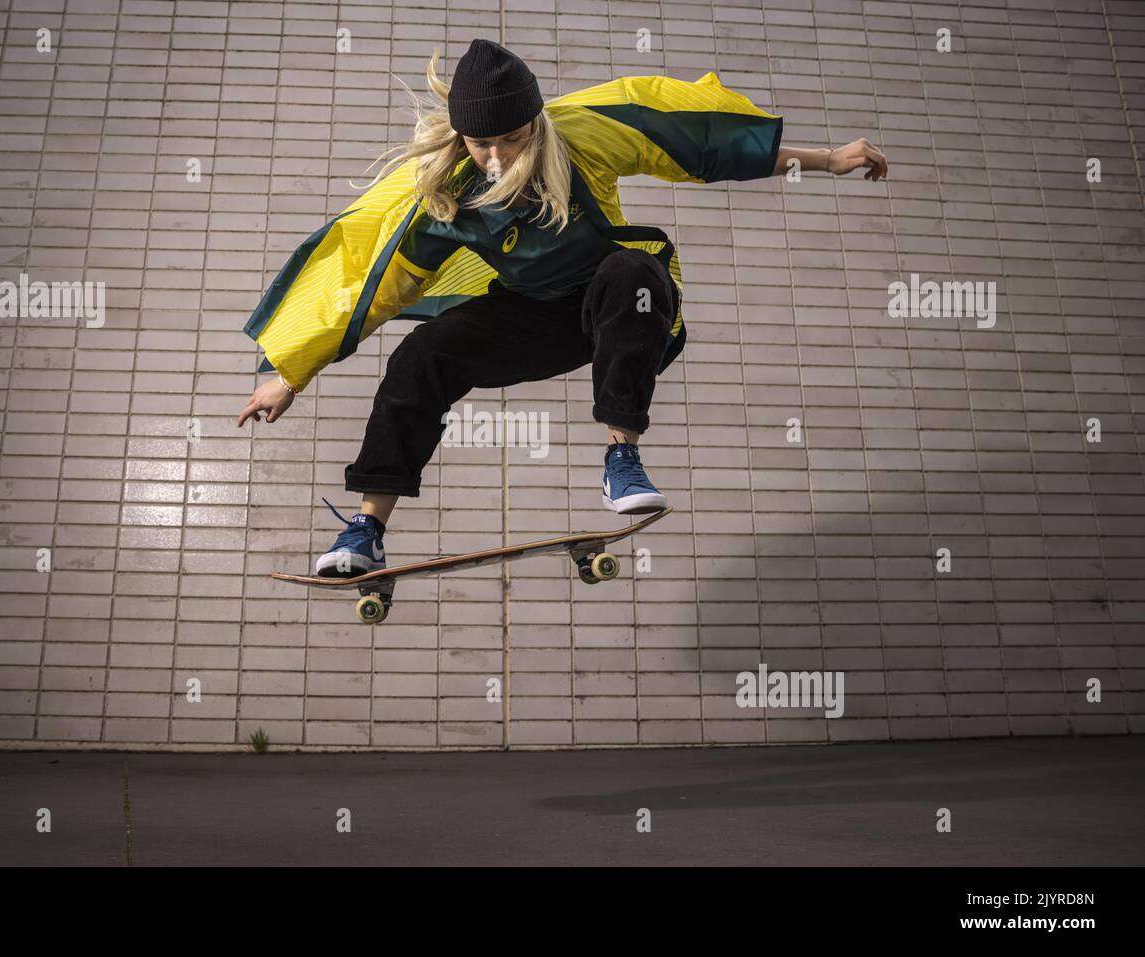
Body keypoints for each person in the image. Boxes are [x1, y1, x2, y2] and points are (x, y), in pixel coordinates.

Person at [238, 39, 888, 578]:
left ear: (536, 123)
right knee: (421, 353)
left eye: (512, 140)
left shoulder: (585, 135)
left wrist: (827, 159)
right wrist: (292, 371)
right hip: (529, 318)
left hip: (613, 306)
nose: (496, 158)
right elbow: (377, 289)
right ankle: (366, 528)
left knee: (636, 269)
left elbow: (699, 150)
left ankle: (620, 457)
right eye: (479, 144)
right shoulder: (447, 196)